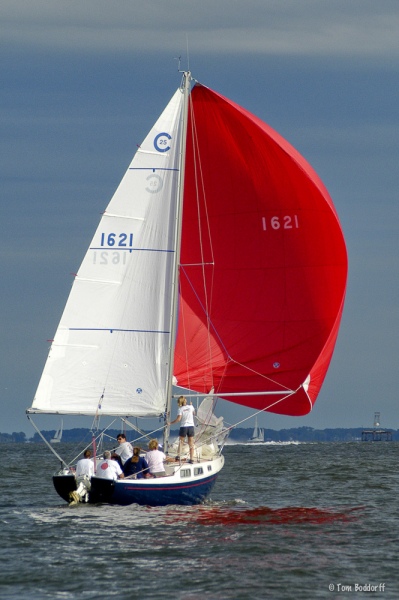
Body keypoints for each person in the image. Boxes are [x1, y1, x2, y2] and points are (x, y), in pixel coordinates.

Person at [169, 395, 196, 463]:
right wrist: (191, 405)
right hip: (191, 427)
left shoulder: (180, 409)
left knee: (181, 442)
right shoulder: (191, 407)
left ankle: (178, 456)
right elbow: (194, 414)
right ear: (185, 400)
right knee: (191, 444)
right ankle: (191, 459)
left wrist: (170, 423)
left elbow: (178, 419)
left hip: (184, 427)